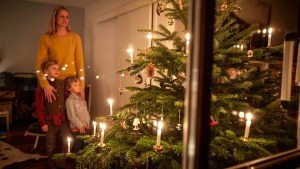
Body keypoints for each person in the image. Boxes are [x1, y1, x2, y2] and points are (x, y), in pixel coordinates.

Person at [36, 5, 85, 103]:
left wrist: (81, 86)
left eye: (67, 17)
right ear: (55, 18)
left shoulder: (75, 37)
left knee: (74, 116)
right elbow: (39, 65)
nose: (65, 19)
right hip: (54, 83)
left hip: (72, 84)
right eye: (61, 16)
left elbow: (80, 63)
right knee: (55, 117)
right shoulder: (46, 38)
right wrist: (45, 84)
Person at [35, 60, 72, 169]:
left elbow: (66, 98)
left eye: (58, 68)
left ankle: (60, 162)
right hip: (50, 121)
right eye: (54, 68)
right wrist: (42, 123)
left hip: (63, 119)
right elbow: (39, 107)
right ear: (46, 71)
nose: (57, 70)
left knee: (68, 141)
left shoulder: (61, 83)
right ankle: (52, 165)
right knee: (51, 145)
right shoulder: (41, 88)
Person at [65, 77, 90, 153]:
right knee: (77, 148)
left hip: (86, 127)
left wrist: (87, 123)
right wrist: (80, 126)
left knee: (86, 147)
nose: (79, 86)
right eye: (75, 85)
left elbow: (86, 112)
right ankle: (77, 163)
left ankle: (85, 162)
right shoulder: (69, 101)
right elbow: (71, 116)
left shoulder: (81, 98)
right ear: (68, 88)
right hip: (77, 130)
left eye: (79, 84)